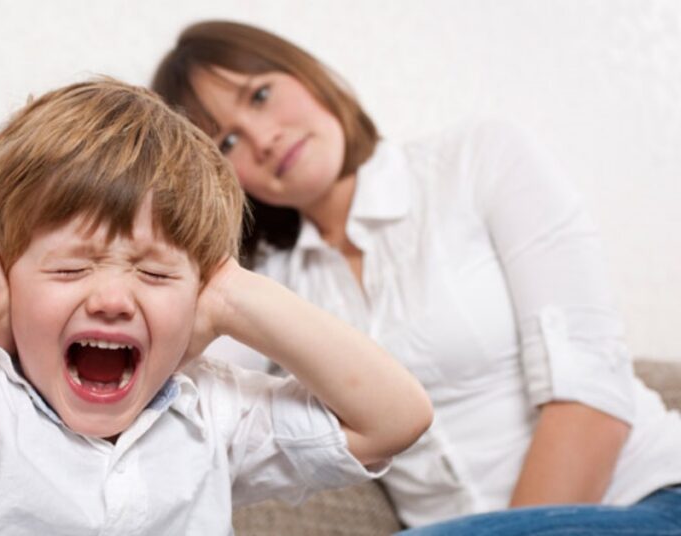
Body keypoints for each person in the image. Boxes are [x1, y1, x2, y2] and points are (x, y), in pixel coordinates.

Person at [0, 78, 432, 534]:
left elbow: (396, 417)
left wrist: (238, 295)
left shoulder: (213, 415)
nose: (114, 298)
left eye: (155, 274)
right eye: (70, 268)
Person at [151, 20, 681, 534]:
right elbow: (176, 393)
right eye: (226, 143)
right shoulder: (265, 284)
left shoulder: (479, 159)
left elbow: (590, 394)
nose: (263, 138)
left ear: (308, 75)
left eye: (260, 96)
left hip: (645, 498)